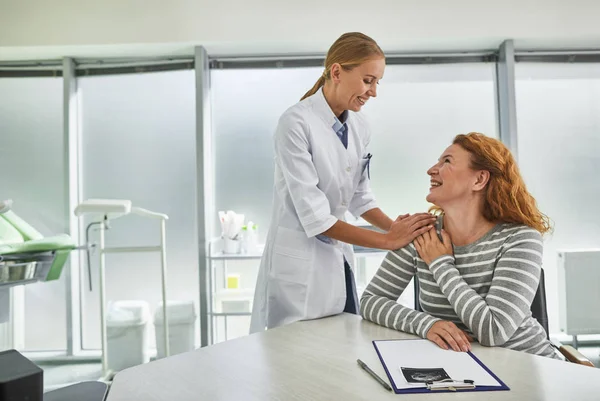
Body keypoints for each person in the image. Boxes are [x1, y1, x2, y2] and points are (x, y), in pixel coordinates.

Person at [249, 32, 436, 333]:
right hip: (299, 267)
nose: (373, 91)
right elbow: (317, 217)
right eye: (367, 80)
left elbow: (360, 198)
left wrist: (401, 231)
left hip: (338, 262)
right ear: (337, 72)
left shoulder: (360, 126)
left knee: (341, 347)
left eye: (377, 82)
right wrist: (388, 241)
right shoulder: (295, 123)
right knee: (297, 360)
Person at [360, 132, 561, 359]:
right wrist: (426, 324)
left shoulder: (520, 238)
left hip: (529, 365)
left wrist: (440, 263)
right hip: (462, 368)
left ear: (479, 180)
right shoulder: (421, 232)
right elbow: (370, 301)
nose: (431, 170)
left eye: (446, 161)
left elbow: (494, 332)